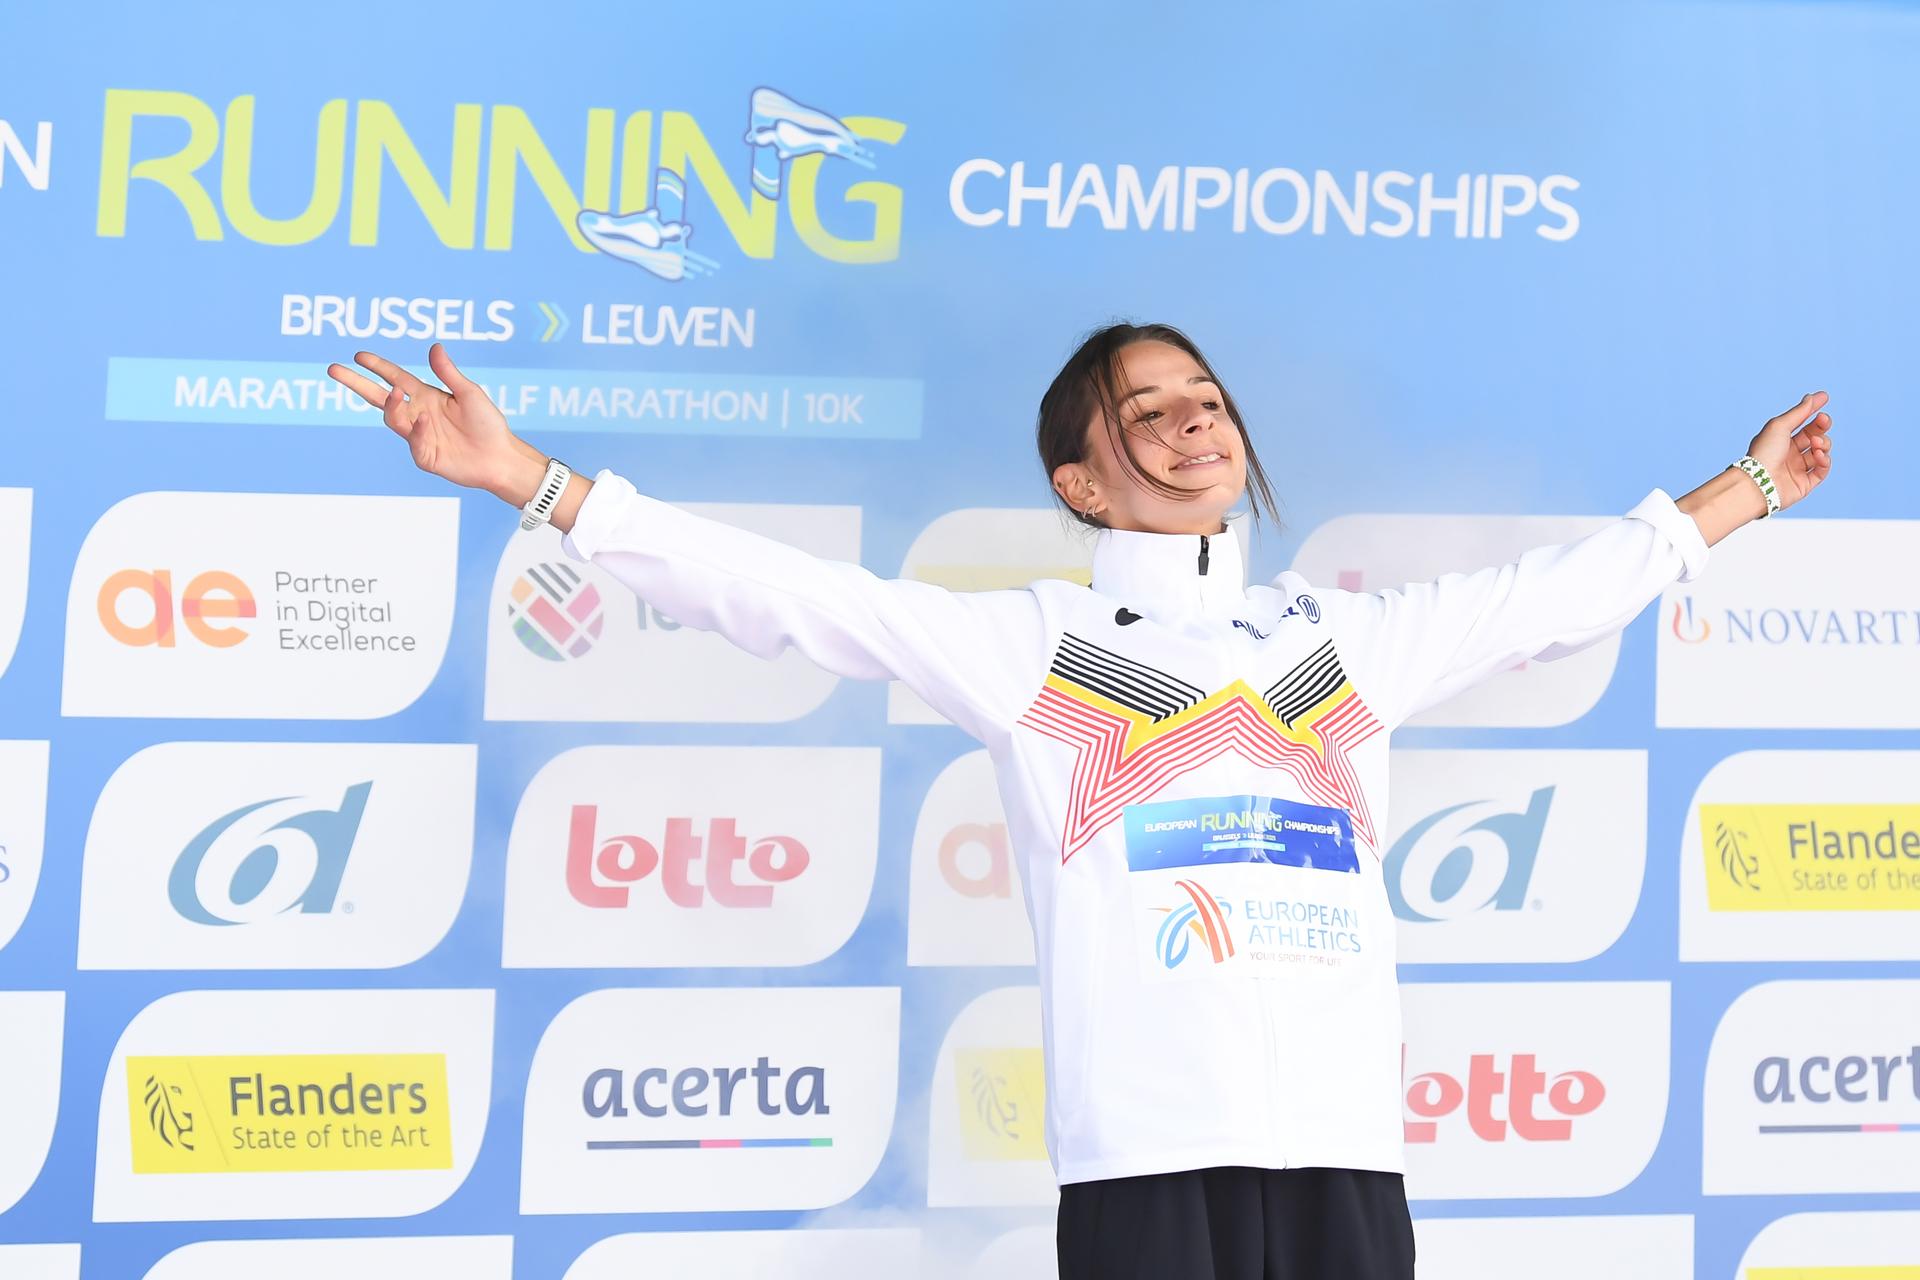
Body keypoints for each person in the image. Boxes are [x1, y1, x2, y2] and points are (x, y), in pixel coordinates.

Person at [326, 325, 1833, 1279]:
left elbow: (1548, 601)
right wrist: (540, 485)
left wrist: (1744, 492)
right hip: (1144, 1168)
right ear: (1084, 483)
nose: (1193, 422)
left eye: (1205, 397)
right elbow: (786, 596)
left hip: (1343, 1156)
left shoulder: (1338, 643)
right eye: (1145, 412)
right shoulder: (1034, 647)